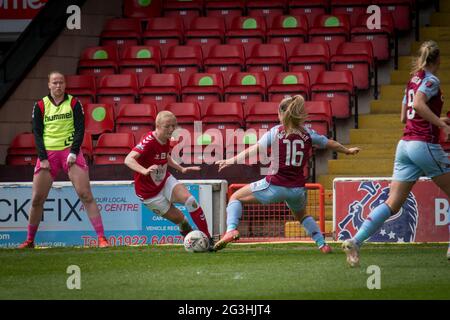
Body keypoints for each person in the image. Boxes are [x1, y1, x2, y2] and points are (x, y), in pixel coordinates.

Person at [342, 40, 450, 266]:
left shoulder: (411, 81)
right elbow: (419, 105)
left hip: (405, 146)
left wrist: (435, 120)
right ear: (437, 60)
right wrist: (442, 126)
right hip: (424, 144)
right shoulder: (431, 80)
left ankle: (356, 240)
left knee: (393, 203)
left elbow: (405, 117)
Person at [214, 95, 361, 251]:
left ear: (281, 113)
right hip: (297, 189)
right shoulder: (308, 134)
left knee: (236, 197)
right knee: (302, 216)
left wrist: (231, 160)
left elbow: (255, 149)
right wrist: (347, 151)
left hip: (274, 185)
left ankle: (231, 230)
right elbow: (329, 143)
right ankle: (322, 244)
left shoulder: (275, 132)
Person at [19, 71, 109, 248]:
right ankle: (29, 240)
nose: (58, 86)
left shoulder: (74, 103)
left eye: (61, 82)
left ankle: (101, 238)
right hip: (48, 156)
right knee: (37, 199)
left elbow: (80, 129)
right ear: (49, 85)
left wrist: (74, 152)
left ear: (65, 84)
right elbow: (37, 133)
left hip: (70, 153)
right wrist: (43, 157)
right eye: (54, 83)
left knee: (85, 195)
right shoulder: (40, 105)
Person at [124, 111, 215, 250]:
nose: (172, 129)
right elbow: (128, 159)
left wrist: (181, 169)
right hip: (149, 194)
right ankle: (194, 244)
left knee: (190, 201)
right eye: (167, 126)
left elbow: (164, 156)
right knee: (182, 222)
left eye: (174, 126)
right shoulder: (148, 141)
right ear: (158, 126)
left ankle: (208, 240)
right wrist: (143, 171)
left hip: (164, 180)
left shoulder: (166, 139)